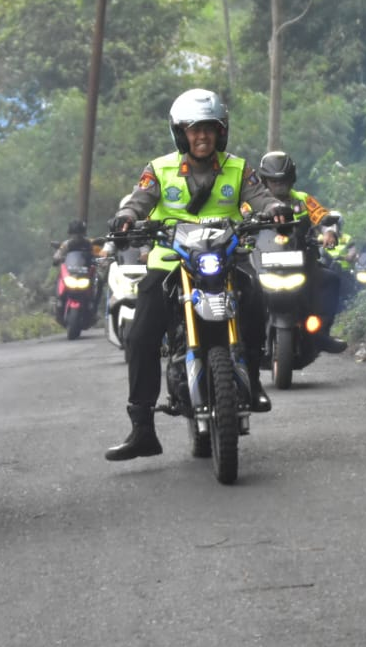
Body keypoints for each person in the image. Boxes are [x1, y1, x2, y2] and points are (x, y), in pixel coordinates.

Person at [104, 88, 290, 462]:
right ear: (180, 133)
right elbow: (139, 199)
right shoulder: (158, 169)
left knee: (256, 302)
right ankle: (142, 427)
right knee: (140, 337)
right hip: (171, 262)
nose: (201, 136)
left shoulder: (239, 168)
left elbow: (261, 197)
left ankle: (251, 383)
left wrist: (276, 208)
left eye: (209, 128)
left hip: (226, 258)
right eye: (193, 129)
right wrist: (127, 217)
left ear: (221, 131)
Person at [254, 150, 347, 354]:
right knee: (241, 285)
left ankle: (321, 333)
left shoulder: (303, 200)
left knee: (331, 279)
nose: (279, 186)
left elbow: (323, 217)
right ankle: (240, 338)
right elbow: (239, 220)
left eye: (284, 181)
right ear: (265, 181)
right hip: (262, 262)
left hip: (303, 260)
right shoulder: (254, 201)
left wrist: (329, 232)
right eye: (274, 181)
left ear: (292, 179)